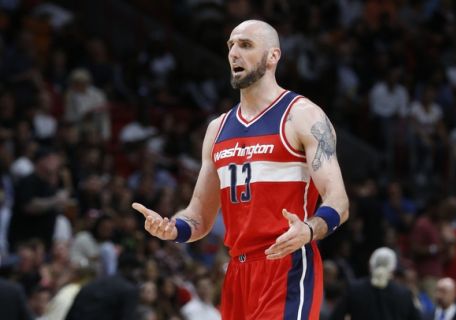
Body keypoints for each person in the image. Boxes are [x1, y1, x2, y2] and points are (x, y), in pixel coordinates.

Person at [133, 19, 349, 319]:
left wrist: (310, 229)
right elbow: (199, 216)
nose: (234, 53)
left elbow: (338, 201)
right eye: (231, 45)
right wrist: (174, 229)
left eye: (246, 45)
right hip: (237, 272)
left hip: (286, 266)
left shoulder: (302, 116)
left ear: (273, 56)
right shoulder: (217, 129)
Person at [330, 247, 421, 320]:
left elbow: (336, 317)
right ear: (393, 270)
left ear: (370, 266)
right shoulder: (404, 294)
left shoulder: (354, 289)